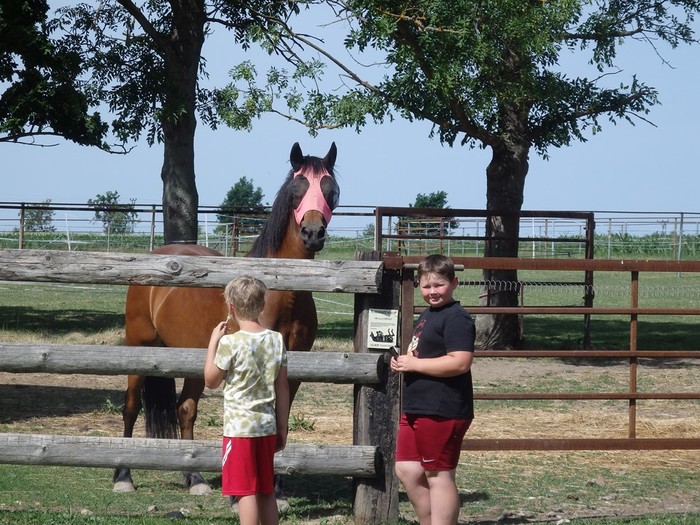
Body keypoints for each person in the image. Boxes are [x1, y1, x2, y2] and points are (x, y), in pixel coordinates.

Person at [390, 254, 476, 525]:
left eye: (439, 285)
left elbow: (460, 362)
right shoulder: (429, 315)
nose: (432, 291)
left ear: (454, 283)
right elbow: (425, 354)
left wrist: (415, 364)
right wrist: (405, 361)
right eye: (426, 286)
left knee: (438, 474)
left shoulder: (457, 318)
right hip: (418, 406)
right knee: (407, 469)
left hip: (443, 408)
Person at [204, 276, 290, 525]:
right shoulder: (276, 340)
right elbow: (282, 387)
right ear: (262, 305)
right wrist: (282, 427)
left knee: (245, 491)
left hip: (239, 431)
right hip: (266, 427)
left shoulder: (230, 343)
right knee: (266, 488)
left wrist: (213, 343)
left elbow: (210, 381)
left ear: (231, 307)